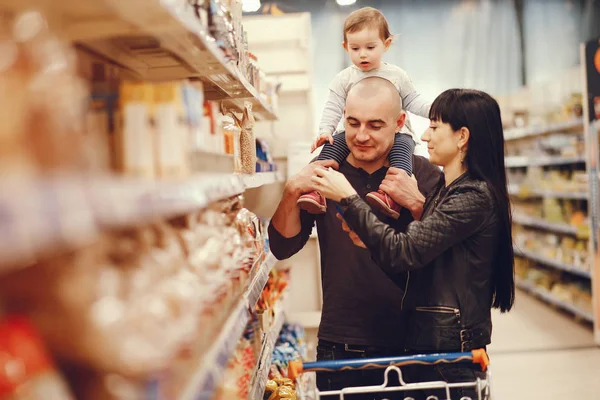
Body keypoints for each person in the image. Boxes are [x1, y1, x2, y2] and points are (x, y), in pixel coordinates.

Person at [311, 88, 515, 400]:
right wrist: (370, 243)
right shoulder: (447, 192)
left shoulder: (472, 196)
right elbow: (416, 269)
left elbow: (405, 253)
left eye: (434, 127)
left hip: (449, 357)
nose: (424, 134)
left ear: (462, 137)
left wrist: (348, 198)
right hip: (432, 349)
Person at [268, 77, 441, 400]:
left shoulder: (423, 175)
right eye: (353, 123)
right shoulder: (324, 172)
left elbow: (446, 258)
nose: (361, 135)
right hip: (342, 344)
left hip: (415, 342)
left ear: (400, 122)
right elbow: (283, 246)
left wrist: (418, 203)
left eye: (375, 125)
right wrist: (291, 191)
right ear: (342, 117)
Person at [297, 6, 431, 220]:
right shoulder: (344, 78)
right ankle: (316, 191)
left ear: (386, 44)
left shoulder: (396, 75)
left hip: (398, 134)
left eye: (370, 47)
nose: (363, 54)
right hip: (346, 132)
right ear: (345, 46)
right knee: (328, 153)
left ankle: (391, 197)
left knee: (402, 157)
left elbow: (413, 100)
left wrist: (436, 111)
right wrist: (325, 130)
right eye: (355, 48)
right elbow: (333, 106)